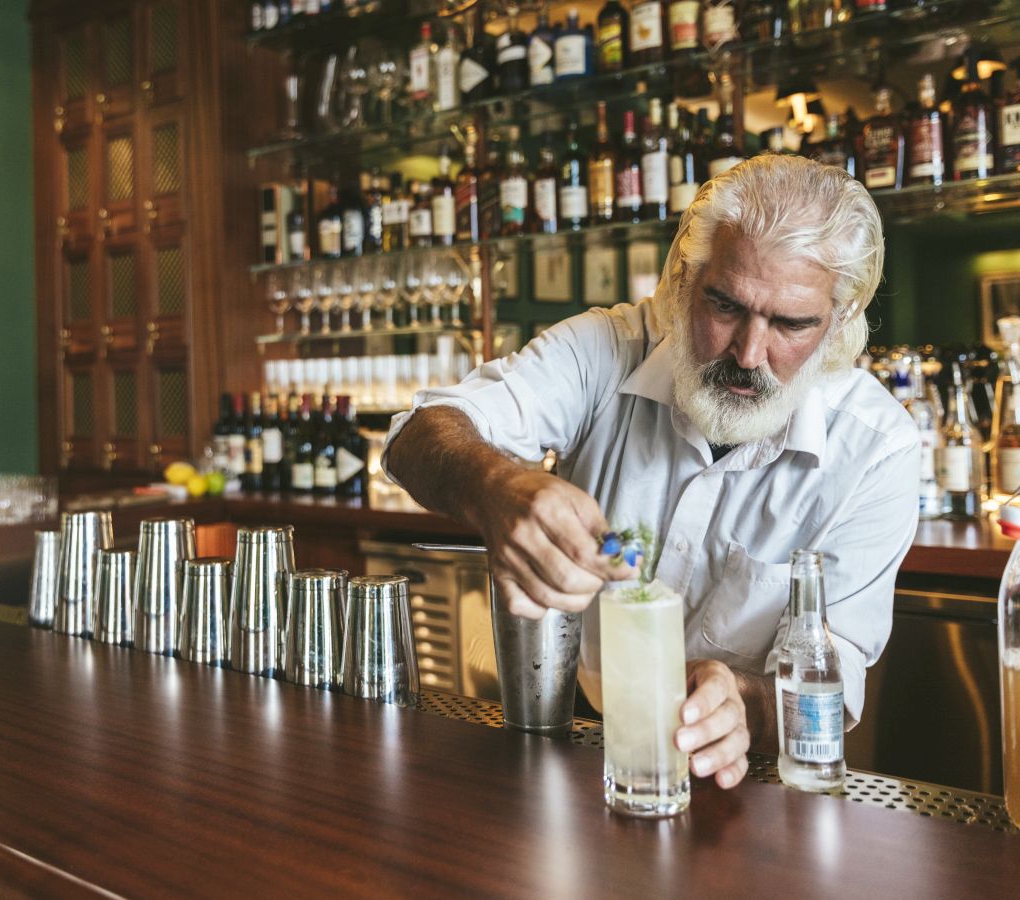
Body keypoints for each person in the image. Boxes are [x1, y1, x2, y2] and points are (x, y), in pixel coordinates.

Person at [383, 155, 920, 792]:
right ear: (683, 277)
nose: (748, 354)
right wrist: (496, 486)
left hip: (746, 778)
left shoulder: (876, 448)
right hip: (578, 746)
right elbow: (417, 432)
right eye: (724, 305)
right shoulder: (607, 349)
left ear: (840, 317)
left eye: (791, 323)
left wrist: (743, 702)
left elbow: (833, 677)